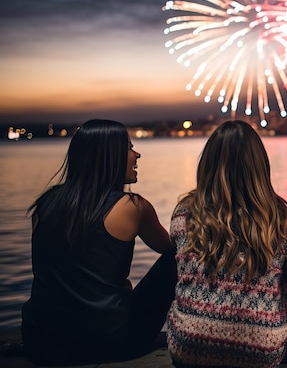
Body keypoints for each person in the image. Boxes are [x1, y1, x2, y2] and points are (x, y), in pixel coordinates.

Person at [21, 119, 176, 365]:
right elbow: (173, 249)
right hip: (109, 341)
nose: (137, 154)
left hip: (39, 339)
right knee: (175, 260)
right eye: (129, 147)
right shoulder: (133, 206)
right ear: (109, 155)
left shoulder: (45, 204)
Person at [166, 120, 287, 368]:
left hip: (188, 347)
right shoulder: (284, 220)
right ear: (260, 164)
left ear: (207, 164)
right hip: (262, 353)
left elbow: (180, 274)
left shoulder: (184, 214)